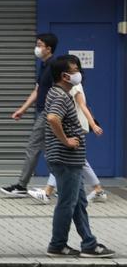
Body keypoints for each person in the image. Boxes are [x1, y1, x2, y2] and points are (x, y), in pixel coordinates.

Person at [42, 55, 114, 258]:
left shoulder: (61, 93)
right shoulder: (60, 95)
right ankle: (57, 245)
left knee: (78, 202)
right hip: (65, 158)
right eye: (74, 70)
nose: (78, 73)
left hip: (70, 159)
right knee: (67, 203)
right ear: (64, 76)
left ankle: (89, 243)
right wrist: (66, 141)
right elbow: (53, 118)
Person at [28, 55, 107, 204]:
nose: (76, 72)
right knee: (75, 160)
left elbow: (82, 105)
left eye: (76, 69)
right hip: (71, 125)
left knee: (65, 158)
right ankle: (97, 190)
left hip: (73, 125)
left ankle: (48, 192)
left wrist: (93, 124)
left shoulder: (73, 85)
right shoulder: (62, 88)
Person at [1, 33, 58, 196]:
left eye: (40, 45)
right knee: (52, 151)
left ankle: (21, 186)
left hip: (49, 113)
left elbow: (60, 90)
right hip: (44, 112)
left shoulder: (54, 66)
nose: (37, 48)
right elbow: (38, 90)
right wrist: (23, 109)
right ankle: (64, 185)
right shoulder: (44, 65)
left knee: (34, 147)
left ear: (49, 48)